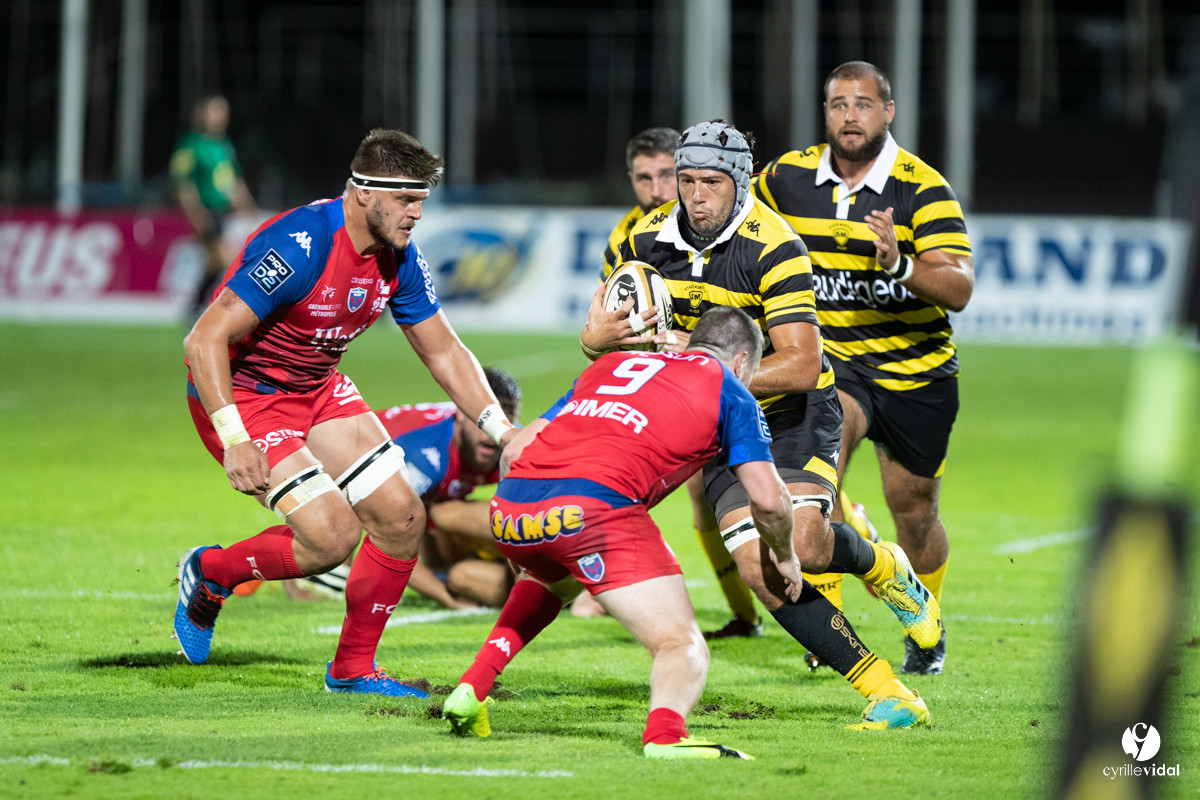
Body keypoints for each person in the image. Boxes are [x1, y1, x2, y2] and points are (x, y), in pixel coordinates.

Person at [579, 118, 940, 729]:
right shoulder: (643, 240)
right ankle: (888, 693)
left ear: (740, 182)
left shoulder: (774, 245)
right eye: (687, 181)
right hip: (717, 421)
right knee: (762, 569)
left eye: (711, 182)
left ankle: (886, 568)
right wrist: (595, 340)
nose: (695, 196)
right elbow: (603, 337)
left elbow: (801, 364)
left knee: (805, 545)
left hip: (793, 411)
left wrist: (698, 365)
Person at [173, 128, 519, 697]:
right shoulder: (301, 245)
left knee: (402, 518)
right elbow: (203, 339)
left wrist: (503, 432)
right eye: (405, 200)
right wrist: (234, 437)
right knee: (331, 538)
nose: (416, 214)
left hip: (318, 388)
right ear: (364, 193)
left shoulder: (399, 257)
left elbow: (444, 352)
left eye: (421, 201)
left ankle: (353, 670)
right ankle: (210, 574)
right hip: (247, 397)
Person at [442, 307, 801, 758]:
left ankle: (471, 689)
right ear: (742, 361)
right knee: (680, 644)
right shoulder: (730, 389)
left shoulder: (610, 365)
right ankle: (665, 737)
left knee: (555, 581)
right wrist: (785, 554)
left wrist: (519, 533)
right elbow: (768, 501)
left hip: (513, 504)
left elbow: (516, 449)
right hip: (594, 508)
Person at [752, 61, 974, 675]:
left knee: (915, 512)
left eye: (864, 104)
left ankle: (924, 623)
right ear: (825, 113)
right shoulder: (786, 178)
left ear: (888, 112)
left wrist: (899, 263)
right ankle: (827, 632)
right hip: (836, 366)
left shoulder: (922, 188)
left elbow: (959, 287)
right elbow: (738, 217)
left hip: (917, 374)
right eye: (839, 104)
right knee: (814, 485)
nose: (851, 116)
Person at [599, 126, 762, 638]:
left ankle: (847, 537)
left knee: (790, 500)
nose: (655, 189)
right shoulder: (631, 239)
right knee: (690, 497)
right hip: (675, 392)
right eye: (642, 178)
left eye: (665, 176)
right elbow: (608, 327)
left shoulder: (741, 228)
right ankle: (744, 616)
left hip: (749, 380)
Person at [293, 367, 523, 608]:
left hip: (422, 493)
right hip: (327, 466)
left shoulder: (512, 445)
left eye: (505, 422)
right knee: (328, 573)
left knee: (496, 514)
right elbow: (389, 539)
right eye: (483, 421)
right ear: (461, 413)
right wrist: (448, 600)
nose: (491, 434)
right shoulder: (424, 457)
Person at [169, 95, 257, 322]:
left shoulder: (225, 145)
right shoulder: (191, 145)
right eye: (215, 111)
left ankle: (197, 307)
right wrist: (195, 213)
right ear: (203, 115)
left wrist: (248, 209)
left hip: (223, 213)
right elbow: (183, 183)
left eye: (223, 111)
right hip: (206, 211)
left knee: (216, 263)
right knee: (225, 260)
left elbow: (233, 182)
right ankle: (219, 311)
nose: (220, 116)